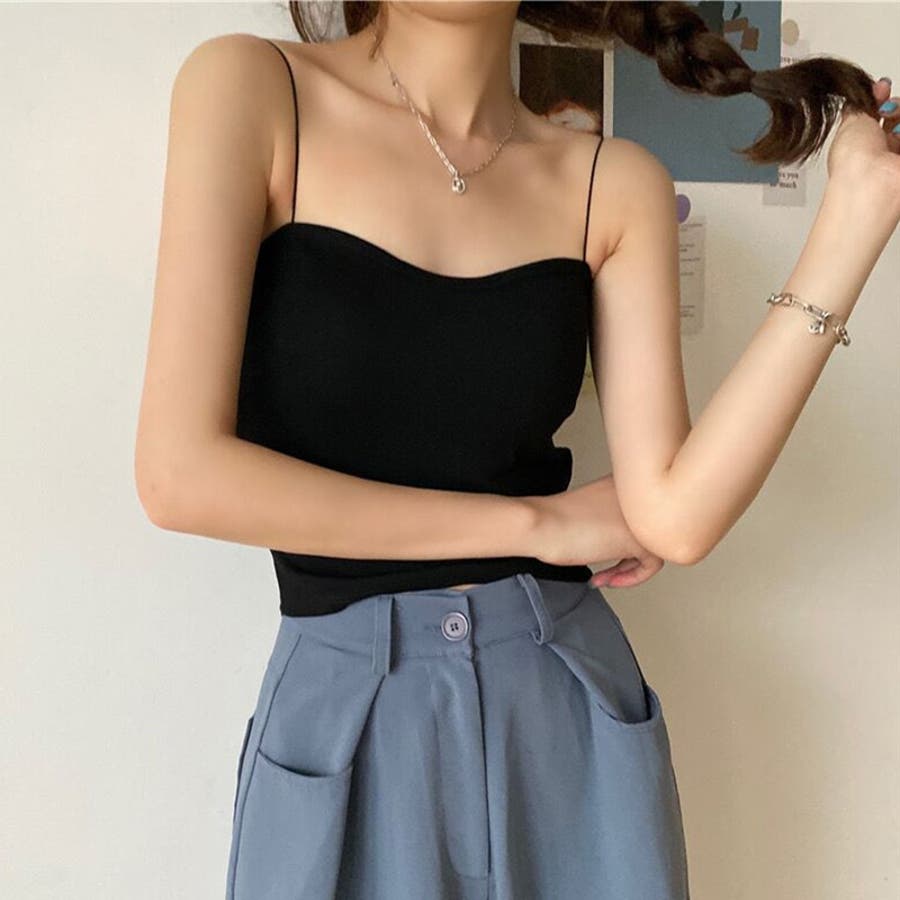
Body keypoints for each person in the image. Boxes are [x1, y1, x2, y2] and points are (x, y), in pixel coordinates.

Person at [134, 2, 900, 898]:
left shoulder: (611, 181)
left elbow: (676, 519)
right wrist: (540, 523)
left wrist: (857, 216)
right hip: (345, 725)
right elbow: (179, 476)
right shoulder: (253, 89)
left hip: (562, 709)